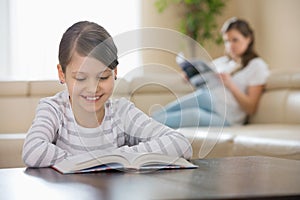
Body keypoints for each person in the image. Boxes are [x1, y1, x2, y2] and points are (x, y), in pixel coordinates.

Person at [22, 21, 192, 167]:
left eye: (102, 77)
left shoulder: (121, 112)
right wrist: (97, 161)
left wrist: (120, 157)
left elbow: (181, 144)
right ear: (62, 74)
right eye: (81, 78)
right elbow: (32, 150)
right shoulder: (54, 109)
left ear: (115, 72)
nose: (92, 88)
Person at [151, 17, 270, 128]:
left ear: (248, 39)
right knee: (164, 113)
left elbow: (251, 108)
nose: (230, 46)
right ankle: (146, 124)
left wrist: (230, 84)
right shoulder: (222, 62)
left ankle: (144, 125)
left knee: (195, 114)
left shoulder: (257, 66)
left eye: (235, 40)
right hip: (207, 100)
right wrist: (191, 76)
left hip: (227, 117)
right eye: (227, 41)